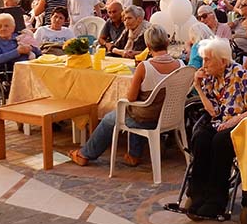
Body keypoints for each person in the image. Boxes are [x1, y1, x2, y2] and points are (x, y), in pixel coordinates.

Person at [69, 25, 183, 169]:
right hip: (170, 115)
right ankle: (134, 154)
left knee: (110, 118)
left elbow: (131, 98)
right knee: (138, 108)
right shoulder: (180, 64)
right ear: (167, 43)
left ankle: (85, 154)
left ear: (147, 46)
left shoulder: (145, 67)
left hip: (146, 117)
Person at [189, 38, 247, 217]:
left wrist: (234, 120)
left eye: (208, 59)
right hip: (221, 122)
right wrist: (198, 87)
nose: (204, 64)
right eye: (203, 59)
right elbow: (213, 112)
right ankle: (198, 194)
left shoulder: (240, 74)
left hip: (243, 124)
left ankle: (217, 200)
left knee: (219, 141)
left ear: (223, 61)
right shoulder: (210, 78)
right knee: (201, 138)